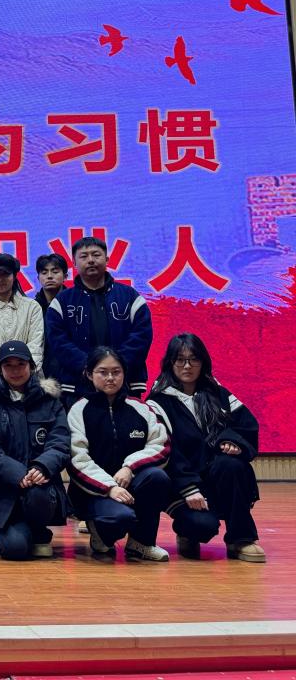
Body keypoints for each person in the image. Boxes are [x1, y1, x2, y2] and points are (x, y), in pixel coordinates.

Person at [146, 334, 265, 563]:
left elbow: (247, 425)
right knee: (201, 526)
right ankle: (187, 532)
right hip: (182, 481)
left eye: (194, 359)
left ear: (203, 362)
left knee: (233, 465)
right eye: (180, 360)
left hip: (217, 475)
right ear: (170, 362)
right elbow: (166, 450)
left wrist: (233, 441)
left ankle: (241, 539)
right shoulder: (158, 402)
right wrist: (188, 487)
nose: (187, 366)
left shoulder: (218, 393)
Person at [67, 347, 171, 561]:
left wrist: (129, 467)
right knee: (119, 518)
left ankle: (142, 543)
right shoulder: (78, 410)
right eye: (102, 372)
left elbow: (161, 445)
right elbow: (77, 459)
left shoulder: (141, 408)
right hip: (94, 492)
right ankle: (100, 532)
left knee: (157, 477)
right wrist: (109, 487)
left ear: (124, 374)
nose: (110, 378)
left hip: (131, 483)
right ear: (89, 374)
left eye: (116, 372)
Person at [0, 341, 70, 560]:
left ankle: (39, 532)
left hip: (40, 486)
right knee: (15, 550)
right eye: (8, 365)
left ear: (31, 366)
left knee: (38, 494)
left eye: (21, 364)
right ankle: (16, 530)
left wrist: (42, 467)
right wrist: (18, 474)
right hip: (2, 492)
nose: (15, 370)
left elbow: (60, 442)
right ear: (0, 369)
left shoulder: (50, 401)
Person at [46, 236, 152, 407]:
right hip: (77, 386)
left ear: (107, 259)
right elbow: (57, 341)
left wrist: (116, 367)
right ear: (74, 263)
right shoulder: (62, 302)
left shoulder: (130, 296)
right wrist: (89, 367)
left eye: (96, 255)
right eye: (84, 256)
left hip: (125, 384)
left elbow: (142, 335)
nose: (90, 260)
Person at [0, 253, 44, 383]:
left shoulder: (32, 307)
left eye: (5, 274)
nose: (0, 279)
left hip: (30, 381)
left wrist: (22, 374)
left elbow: (36, 347)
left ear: (15, 276)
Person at [33, 253, 68, 381]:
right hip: (40, 372)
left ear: (65, 276)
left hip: (70, 370)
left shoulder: (74, 305)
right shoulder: (32, 308)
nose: (49, 276)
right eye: (44, 272)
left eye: (55, 271)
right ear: (38, 278)